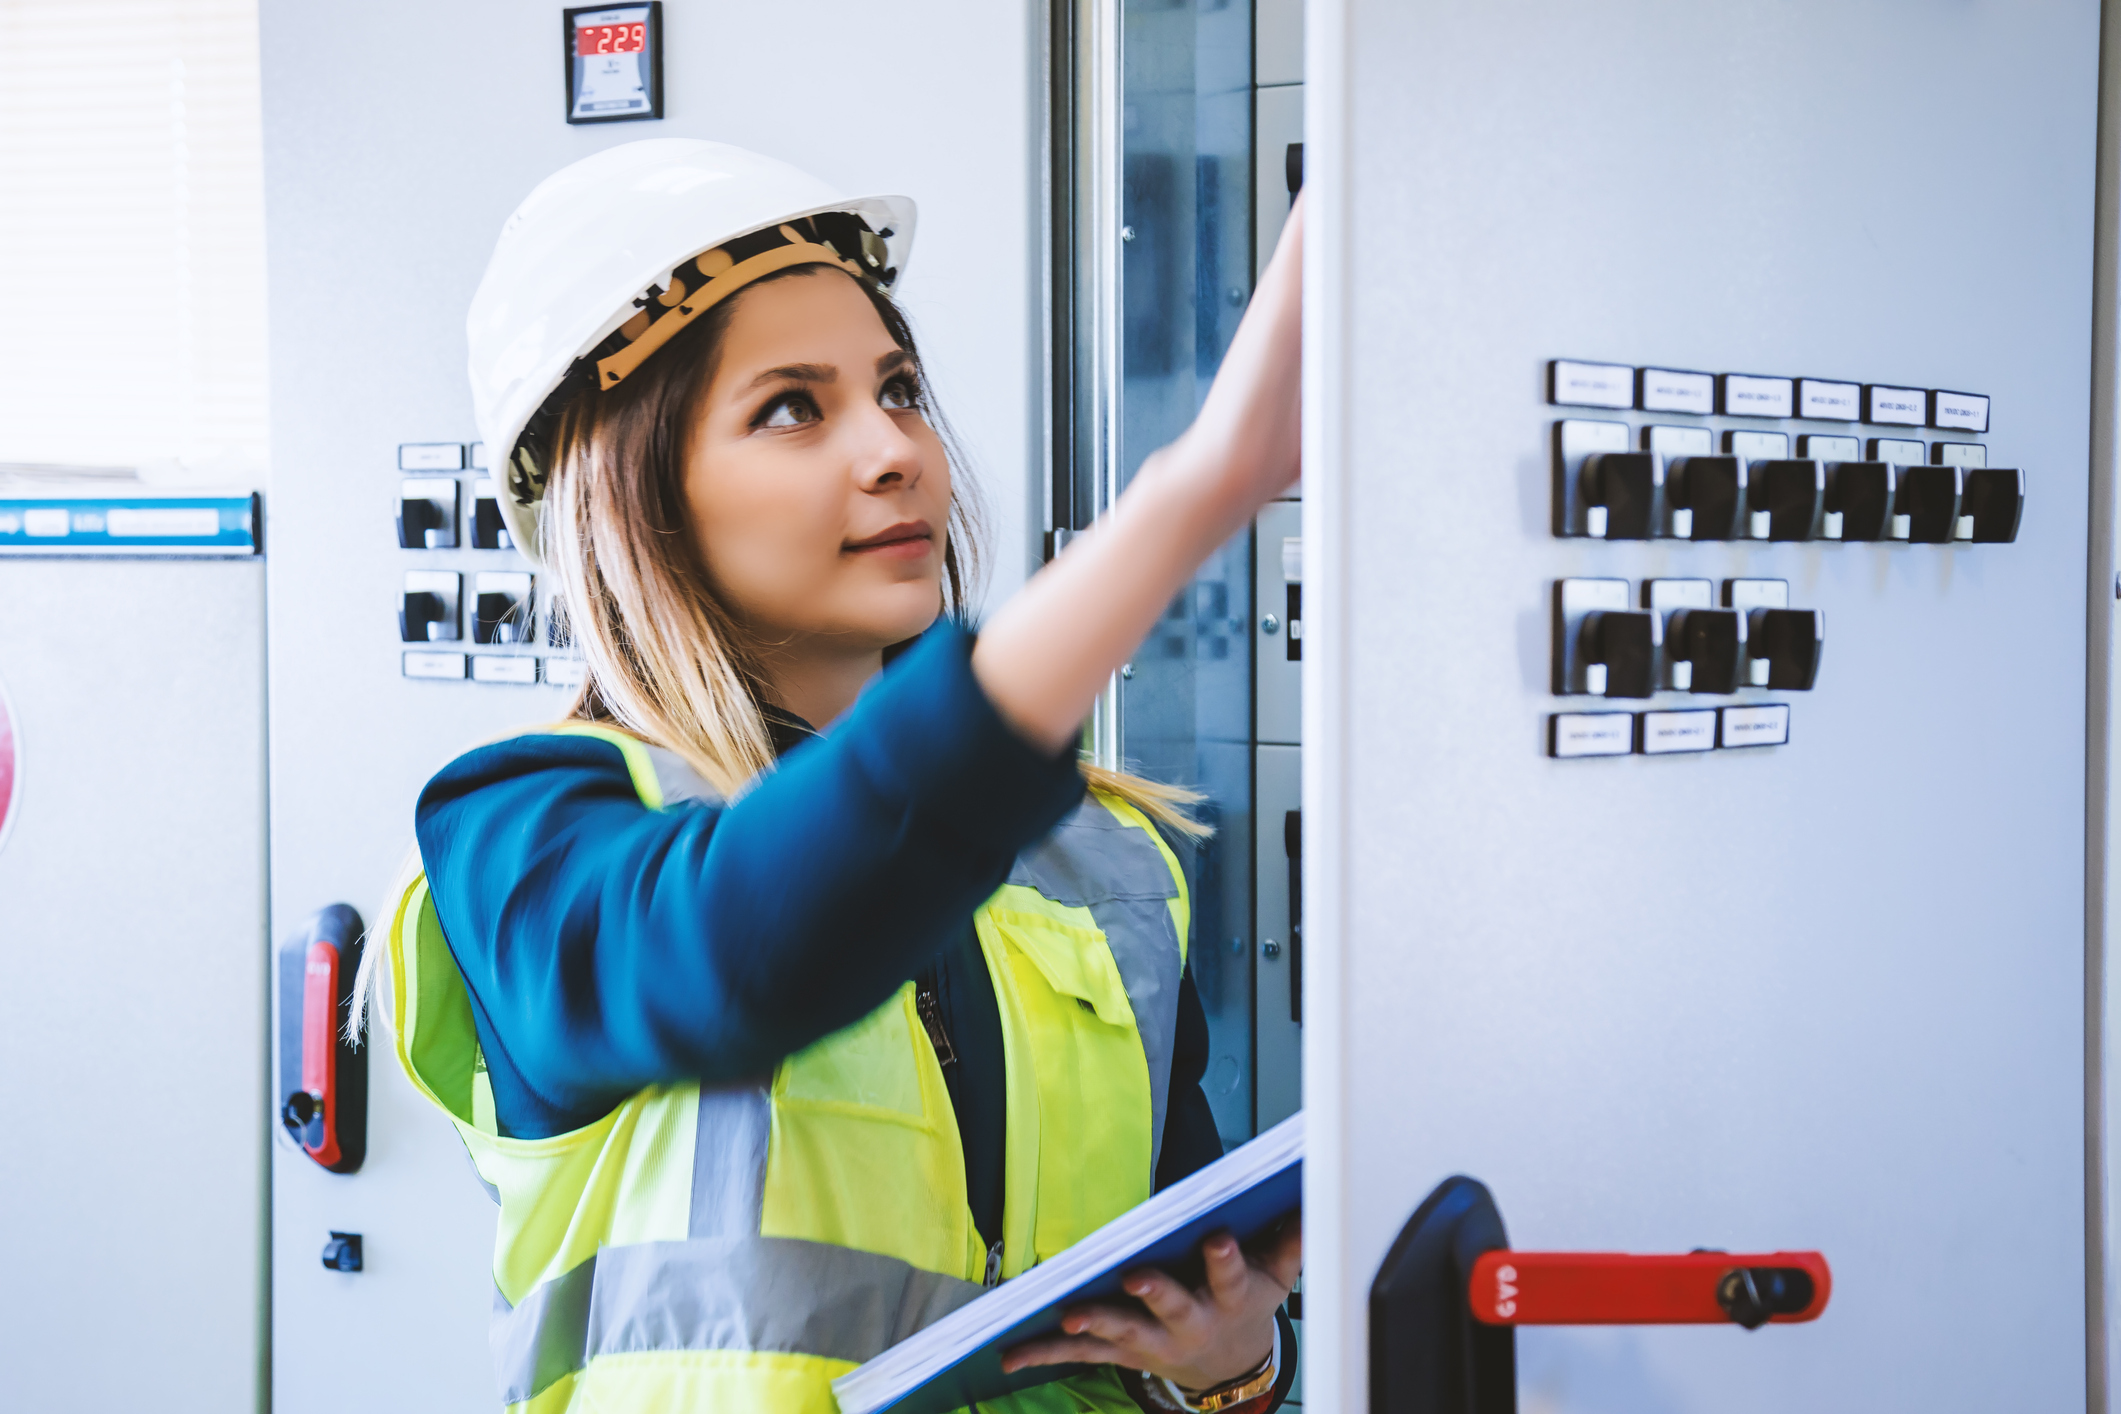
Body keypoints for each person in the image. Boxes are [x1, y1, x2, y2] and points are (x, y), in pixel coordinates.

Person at [366, 139, 1304, 1414]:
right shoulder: (529, 831)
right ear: (636, 495)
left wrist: (1232, 1364)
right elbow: (741, 949)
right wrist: (1196, 494)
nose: (896, 449)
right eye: (792, 407)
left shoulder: (1107, 860)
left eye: (900, 388)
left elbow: (1183, 1294)